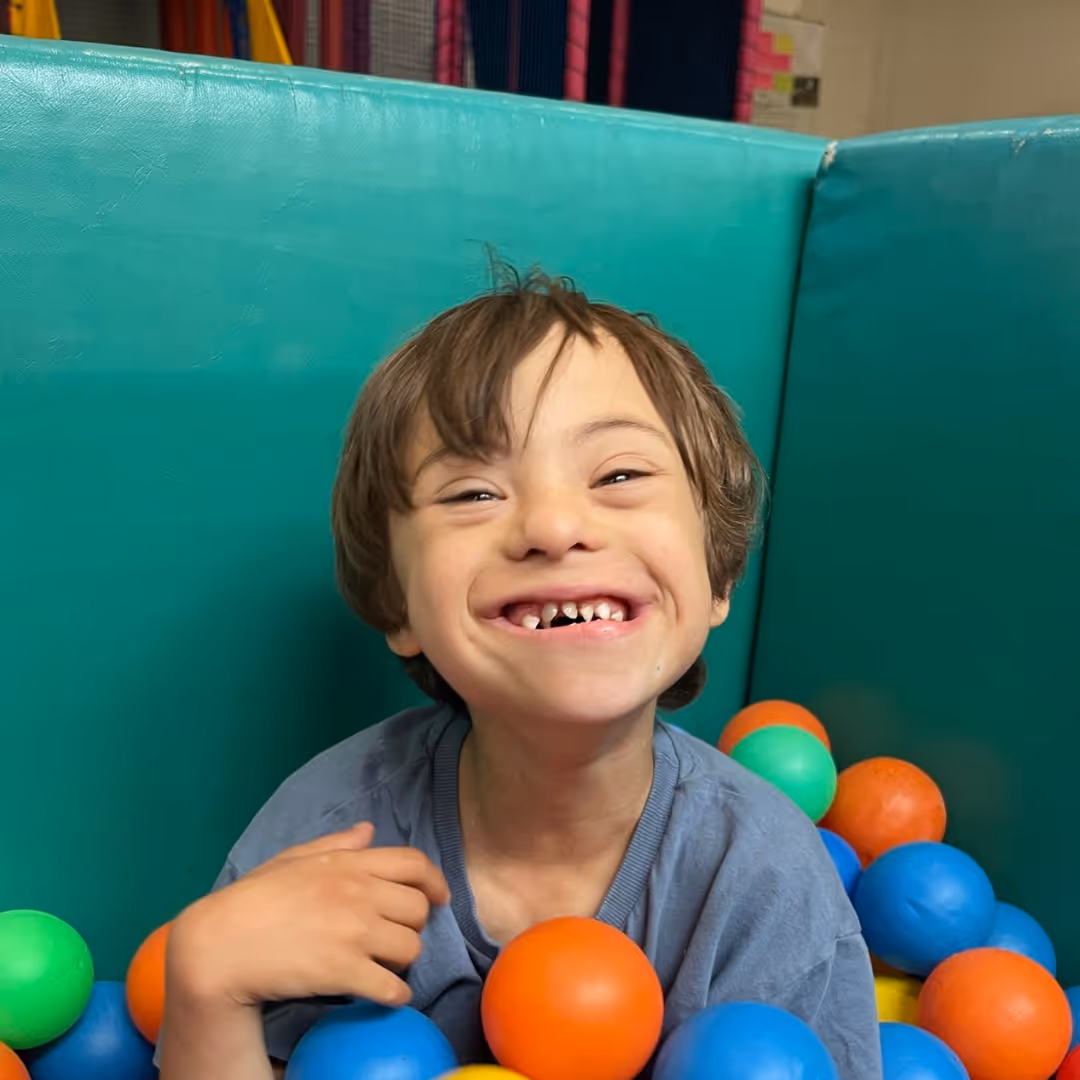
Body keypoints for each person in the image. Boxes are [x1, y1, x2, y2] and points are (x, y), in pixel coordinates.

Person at [159, 267, 882, 1080]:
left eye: (618, 475)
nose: (553, 525)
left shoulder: (761, 874)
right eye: (472, 492)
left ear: (715, 574)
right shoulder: (332, 833)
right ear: (396, 605)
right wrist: (204, 985)